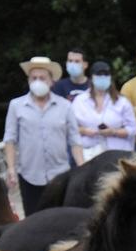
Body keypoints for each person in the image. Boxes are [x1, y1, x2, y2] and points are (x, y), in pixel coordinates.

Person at [4, 57, 83, 215]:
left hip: (59, 173)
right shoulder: (16, 106)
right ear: (28, 80)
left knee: (59, 218)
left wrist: (82, 168)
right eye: (34, 78)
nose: (37, 81)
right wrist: (11, 168)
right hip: (29, 174)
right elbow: (10, 139)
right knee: (33, 219)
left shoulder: (65, 106)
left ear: (51, 81)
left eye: (42, 78)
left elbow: (74, 140)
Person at [73, 62, 136, 160]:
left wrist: (114, 132)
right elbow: (70, 127)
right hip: (89, 154)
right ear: (91, 78)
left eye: (106, 75)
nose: (102, 77)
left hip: (117, 154)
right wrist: (84, 131)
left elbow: (133, 129)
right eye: (99, 75)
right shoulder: (80, 101)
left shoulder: (122, 102)